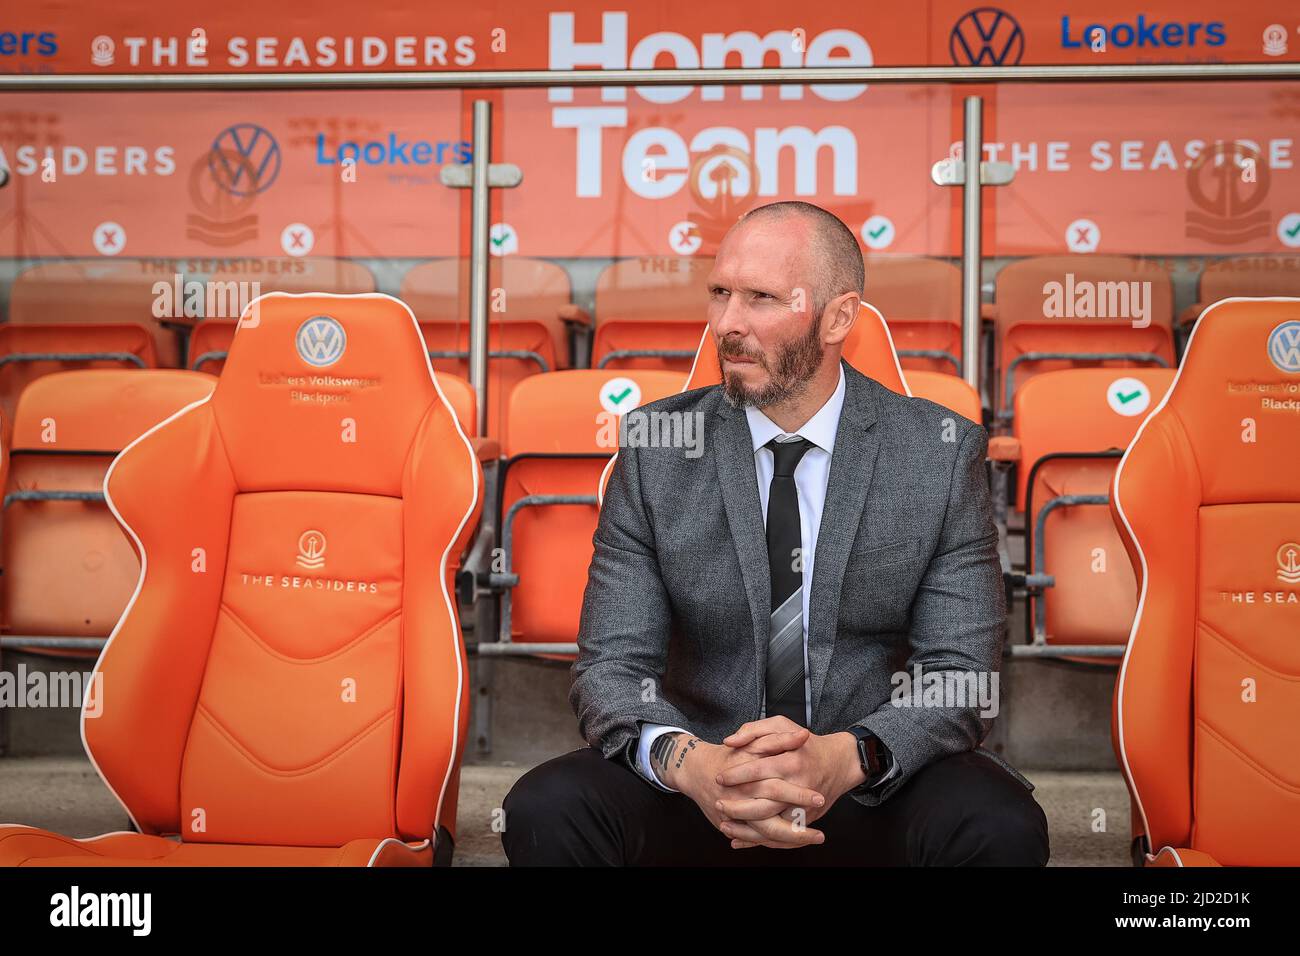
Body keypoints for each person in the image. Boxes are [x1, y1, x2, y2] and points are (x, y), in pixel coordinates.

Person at [501, 201, 1049, 866]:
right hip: (705, 784)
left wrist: (842, 760)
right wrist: (693, 766)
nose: (728, 325)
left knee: (999, 824)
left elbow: (961, 678)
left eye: (760, 298)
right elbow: (612, 670)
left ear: (838, 317)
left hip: (867, 782)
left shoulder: (936, 453)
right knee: (546, 810)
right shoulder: (659, 448)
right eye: (720, 294)